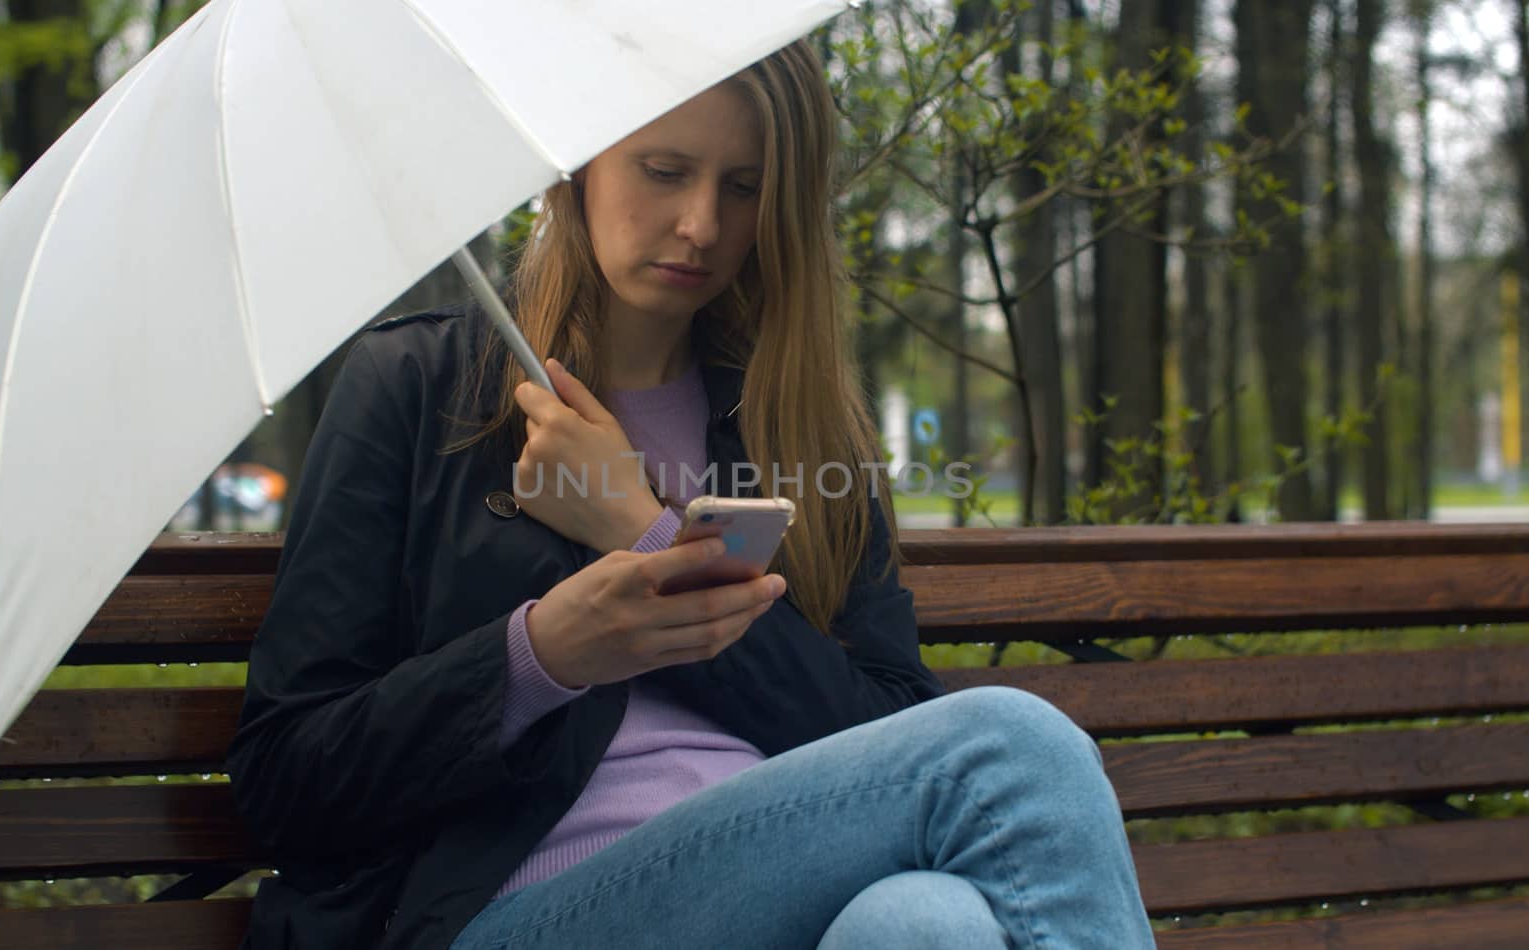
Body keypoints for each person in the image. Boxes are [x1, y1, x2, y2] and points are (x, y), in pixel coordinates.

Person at [226, 40, 1155, 950]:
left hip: (787, 896)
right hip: (503, 913)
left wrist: (642, 527)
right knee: (1009, 751)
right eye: (664, 171)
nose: (702, 225)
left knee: (924, 925)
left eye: (743, 188)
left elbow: (886, 727)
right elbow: (284, 781)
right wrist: (541, 655)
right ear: (577, 167)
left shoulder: (791, 421)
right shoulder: (420, 389)